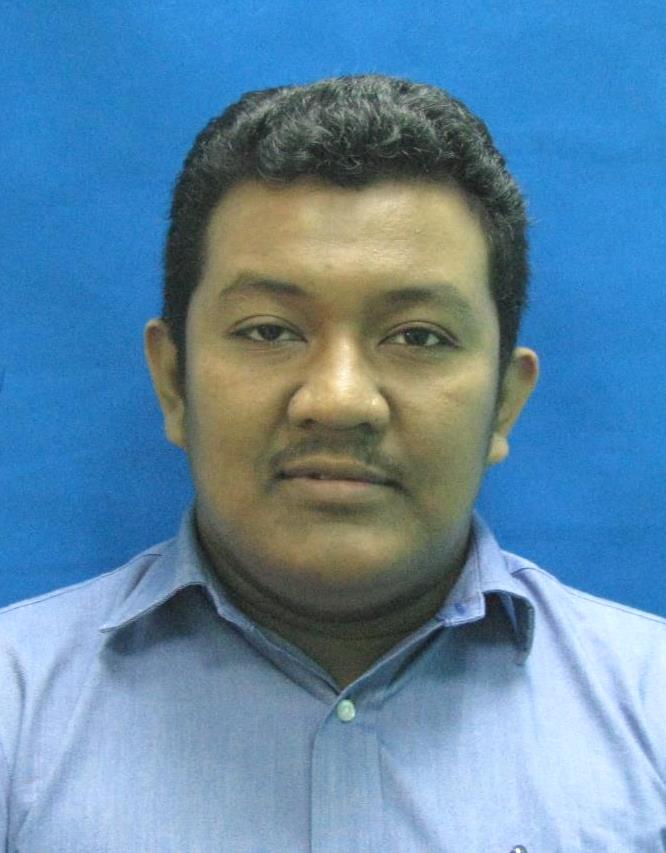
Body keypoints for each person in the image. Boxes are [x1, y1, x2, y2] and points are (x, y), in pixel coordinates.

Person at [1, 74, 664, 852]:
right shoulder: (17, 711)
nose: (340, 399)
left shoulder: (650, 711)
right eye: (269, 330)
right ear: (173, 381)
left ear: (505, 403)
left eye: (418, 336)